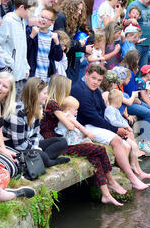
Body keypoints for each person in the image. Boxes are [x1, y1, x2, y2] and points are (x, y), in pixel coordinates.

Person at [41, 74, 128, 206]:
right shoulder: (52, 104)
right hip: (57, 143)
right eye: (67, 89)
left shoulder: (57, 104)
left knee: (95, 156)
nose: (68, 92)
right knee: (99, 149)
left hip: (62, 140)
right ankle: (111, 181)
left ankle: (106, 194)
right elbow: (70, 126)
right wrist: (73, 120)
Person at [70, 64, 150, 189]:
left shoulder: (96, 90)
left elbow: (103, 111)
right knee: (117, 140)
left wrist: (117, 128)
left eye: (99, 80)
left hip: (95, 123)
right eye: (93, 78)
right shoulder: (79, 90)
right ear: (86, 75)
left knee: (127, 140)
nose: (96, 82)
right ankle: (132, 179)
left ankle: (135, 173)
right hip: (85, 125)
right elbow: (92, 118)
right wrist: (115, 130)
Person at [3, 77, 70, 168]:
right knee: (41, 154)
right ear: (35, 94)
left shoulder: (39, 107)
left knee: (62, 142)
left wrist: (36, 146)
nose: (47, 96)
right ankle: (48, 161)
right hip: (14, 145)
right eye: (45, 93)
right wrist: (36, 149)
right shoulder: (18, 113)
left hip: (28, 142)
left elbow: (35, 134)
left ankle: (41, 159)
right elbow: (19, 145)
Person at [104, 89, 150, 178]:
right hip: (114, 133)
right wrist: (125, 125)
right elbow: (113, 122)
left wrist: (126, 124)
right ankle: (128, 168)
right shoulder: (109, 110)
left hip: (120, 133)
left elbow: (120, 119)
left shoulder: (115, 110)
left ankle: (133, 166)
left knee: (134, 146)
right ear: (118, 101)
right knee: (128, 146)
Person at [0, 0, 37, 100]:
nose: (32, 14)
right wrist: (11, 63)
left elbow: (22, 47)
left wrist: (26, 66)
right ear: (22, 7)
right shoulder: (8, 20)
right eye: (31, 10)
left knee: (15, 108)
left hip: (20, 75)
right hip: (10, 74)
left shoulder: (22, 22)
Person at [54, 0, 93, 84]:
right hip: (60, 59)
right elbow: (62, 42)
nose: (79, 12)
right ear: (71, 8)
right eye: (78, 9)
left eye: (81, 10)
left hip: (70, 59)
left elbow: (90, 33)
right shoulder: (61, 18)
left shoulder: (73, 20)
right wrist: (82, 47)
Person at [27, 7, 64, 81]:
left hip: (46, 76)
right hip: (31, 75)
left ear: (52, 22)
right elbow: (25, 51)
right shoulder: (30, 30)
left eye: (46, 18)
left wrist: (57, 43)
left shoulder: (54, 36)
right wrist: (31, 36)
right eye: (41, 16)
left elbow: (58, 57)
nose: (42, 19)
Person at [125, 0, 150, 69]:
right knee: (134, 67)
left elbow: (148, 23)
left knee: (143, 68)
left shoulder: (148, 7)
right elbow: (125, 22)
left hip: (146, 43)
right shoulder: (134, 5)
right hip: (137, 43)